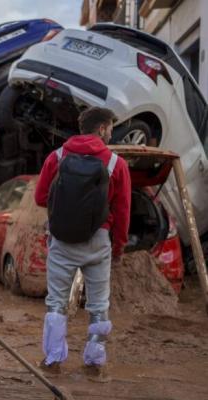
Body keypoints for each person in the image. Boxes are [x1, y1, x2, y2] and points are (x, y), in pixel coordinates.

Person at [34, 107, 131, 379]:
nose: (111, 132)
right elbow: (123, 211)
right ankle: (95, 363)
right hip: (98, 240)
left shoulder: (57, 156)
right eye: (110, 127)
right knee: (99, 305)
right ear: (101, 129)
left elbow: (40, 198)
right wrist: (119, 246)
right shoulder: (116, 163)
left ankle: (53, 360)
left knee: (56, 302)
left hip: (62, 239)